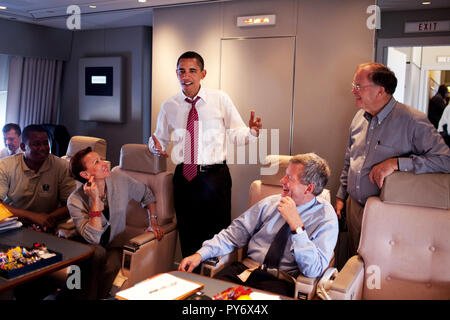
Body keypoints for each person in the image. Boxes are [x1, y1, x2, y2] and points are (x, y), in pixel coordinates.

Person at [150, 51, 262, 262]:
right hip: (184, 177)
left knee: (217, 235)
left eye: (192, 71)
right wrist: (155, 146)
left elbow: (237, 134)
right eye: (181, 71)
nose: (186, 76)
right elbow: (159, 139)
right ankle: (192, 283)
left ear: (203, 74)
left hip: (214, 177)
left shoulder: (220, 99)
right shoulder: (169, 105)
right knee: (188, 233)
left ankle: (216, 284)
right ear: (176, 74)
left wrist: (252, 132)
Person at [179, 153, 338, 297]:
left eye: (289, 178)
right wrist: (200, 254)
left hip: (281, 281)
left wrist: (296, 226)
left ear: (309, 188)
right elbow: (233, 234)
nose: (282, 181)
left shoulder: (325, 217)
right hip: (245, 271)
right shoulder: (270, 203)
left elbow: (313, 269)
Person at [336, 62, 450, 257]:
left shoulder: (413, 121)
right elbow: (350, 159)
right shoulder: (358, 118)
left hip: (387, 211)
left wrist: (397, 163)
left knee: (379, 266)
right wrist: (341, 195)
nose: (352, 91)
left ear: (380, 91)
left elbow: (444, 160)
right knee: (354, 264)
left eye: (358, 86)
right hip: (353, 207)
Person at [67, 147, 164, 299]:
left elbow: (147, 194)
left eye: (102, 159)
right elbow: (93, 239)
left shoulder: (119, 179)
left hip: (114, 244)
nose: (105, 163)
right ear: (85, 175)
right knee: (97, 254)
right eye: (97, 162)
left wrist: (153, 220)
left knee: (111, 266)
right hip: (86, 246)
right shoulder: (75, 200)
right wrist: (94, 201)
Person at [0, 124, 76, 232]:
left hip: (47, 225)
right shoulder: (5, 165)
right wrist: (32, 216)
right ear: (23, 147)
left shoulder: (62, 166)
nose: (43, 148)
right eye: (36, 144)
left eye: (46, 143)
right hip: (11, 225)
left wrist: (47, 219)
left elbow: (71, 204)